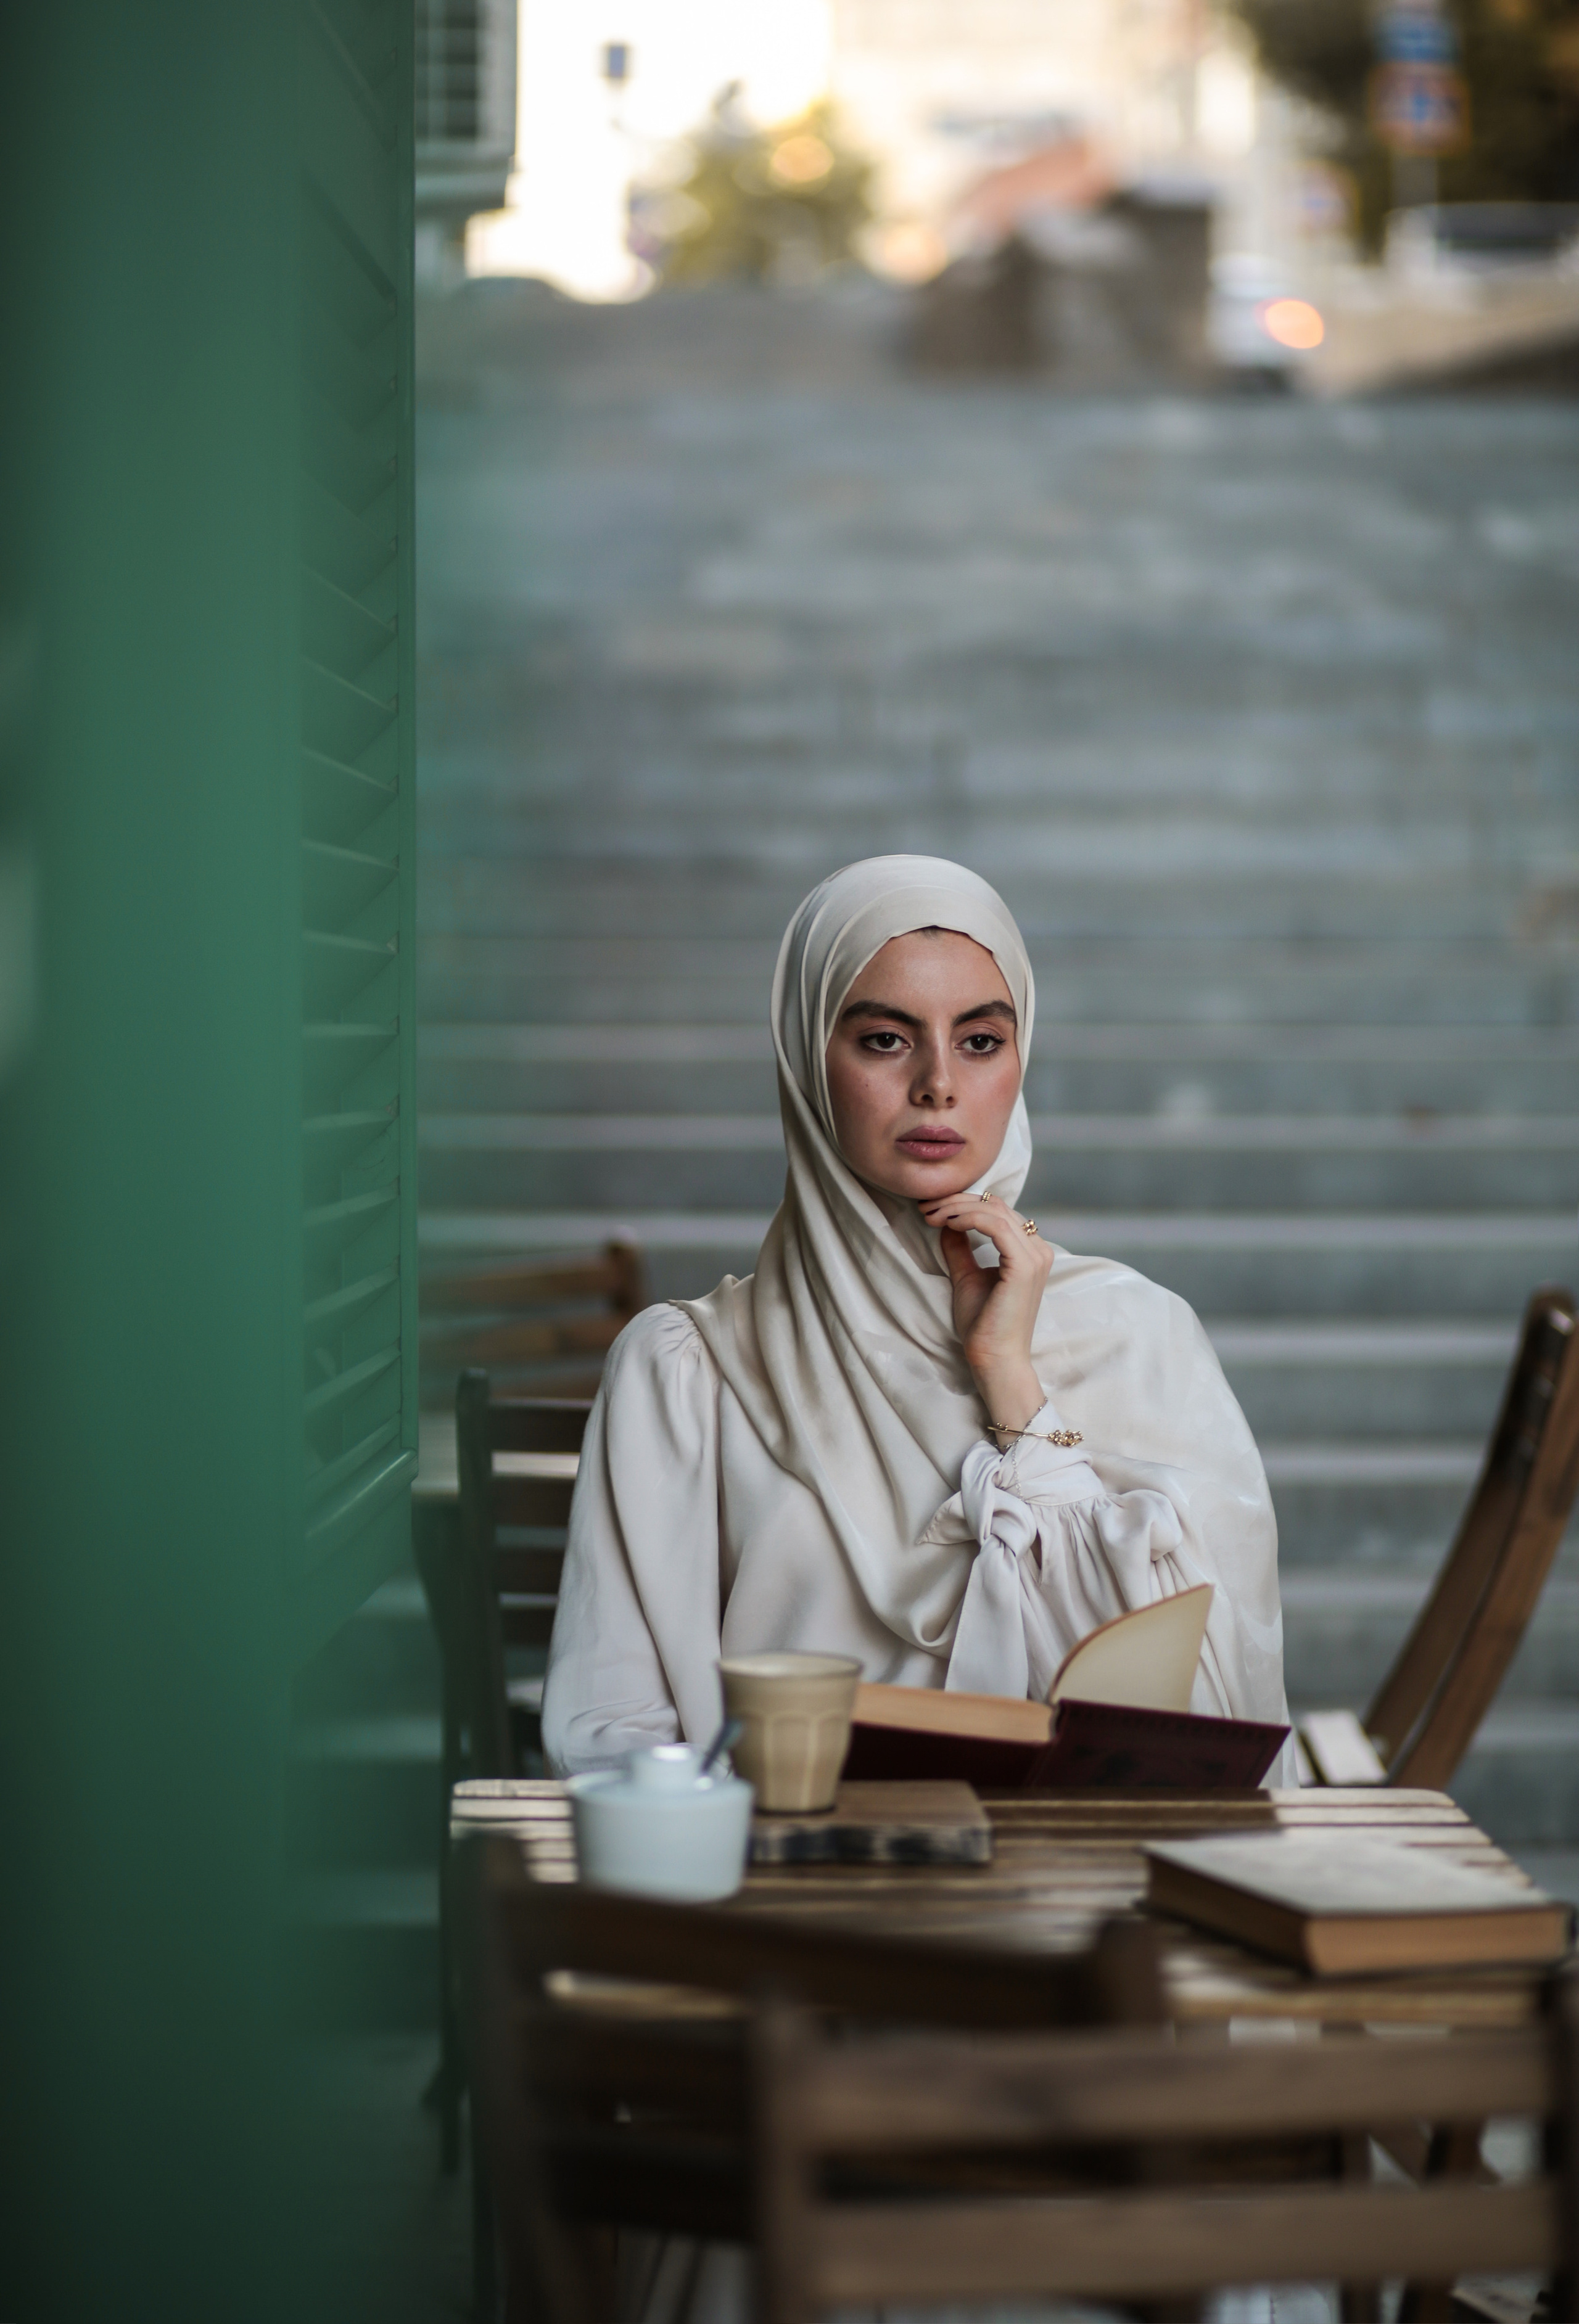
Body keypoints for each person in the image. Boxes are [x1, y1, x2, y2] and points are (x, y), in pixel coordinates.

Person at [542, 855, 1293, 1780]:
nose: (939, 1084)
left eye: (980, 1041)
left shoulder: (1145, 1340)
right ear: (807, 1056)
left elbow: (1213, 1712)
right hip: (792, 1893)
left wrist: (1011, 1377)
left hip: (1077, 1898)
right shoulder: (689, 1372)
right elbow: (613, 1726)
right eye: (887, 1040)